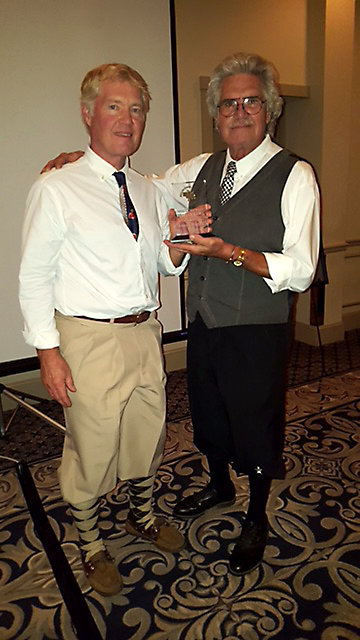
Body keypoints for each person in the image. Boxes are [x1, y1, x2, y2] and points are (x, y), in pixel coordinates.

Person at [42, 52, 320, 578]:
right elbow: (144, 181)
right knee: (211, 413)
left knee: (255, 422)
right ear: (216, 115)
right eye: (227, 104)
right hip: (207, 323)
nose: (238, 112)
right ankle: (218, 485)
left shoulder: (295, 175)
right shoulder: (203, 168)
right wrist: (80, 164)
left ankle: (256, 514)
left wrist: (230, 253)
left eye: (250, 102)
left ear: (270, 110)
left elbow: (302, 269)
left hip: (257, 329)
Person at [19, 63, 211, 597]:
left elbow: (164, 266)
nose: (127, 119)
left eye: (136, 109)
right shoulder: (57, 187)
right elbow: (33, 274)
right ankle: (89, 544)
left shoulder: (149, 190)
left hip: (144, 332)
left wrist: (178, 245)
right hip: (87, 338)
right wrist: (47, 354)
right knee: (92, 445)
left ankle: (141, 518)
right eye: (114, 106)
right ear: (88, 114)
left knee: (146, 434)